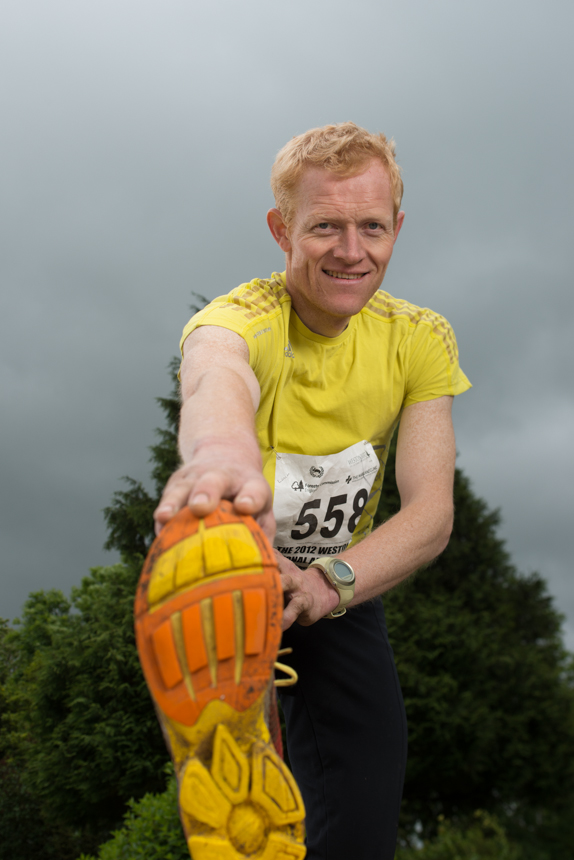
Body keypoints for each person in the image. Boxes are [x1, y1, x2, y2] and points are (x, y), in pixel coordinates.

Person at [153, 122, 471, 859]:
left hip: (337, 578)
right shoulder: (242, 319)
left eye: (372, 227)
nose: (352, 251)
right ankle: (238, 765)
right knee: (246, 806)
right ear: (282, 228)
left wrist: (331, 584)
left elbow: (430, 513)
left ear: (398, 227)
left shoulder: (420, 338)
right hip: (225, 561)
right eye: (326, 226)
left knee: (365, 803)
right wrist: (222, 458)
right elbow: (215, 372)